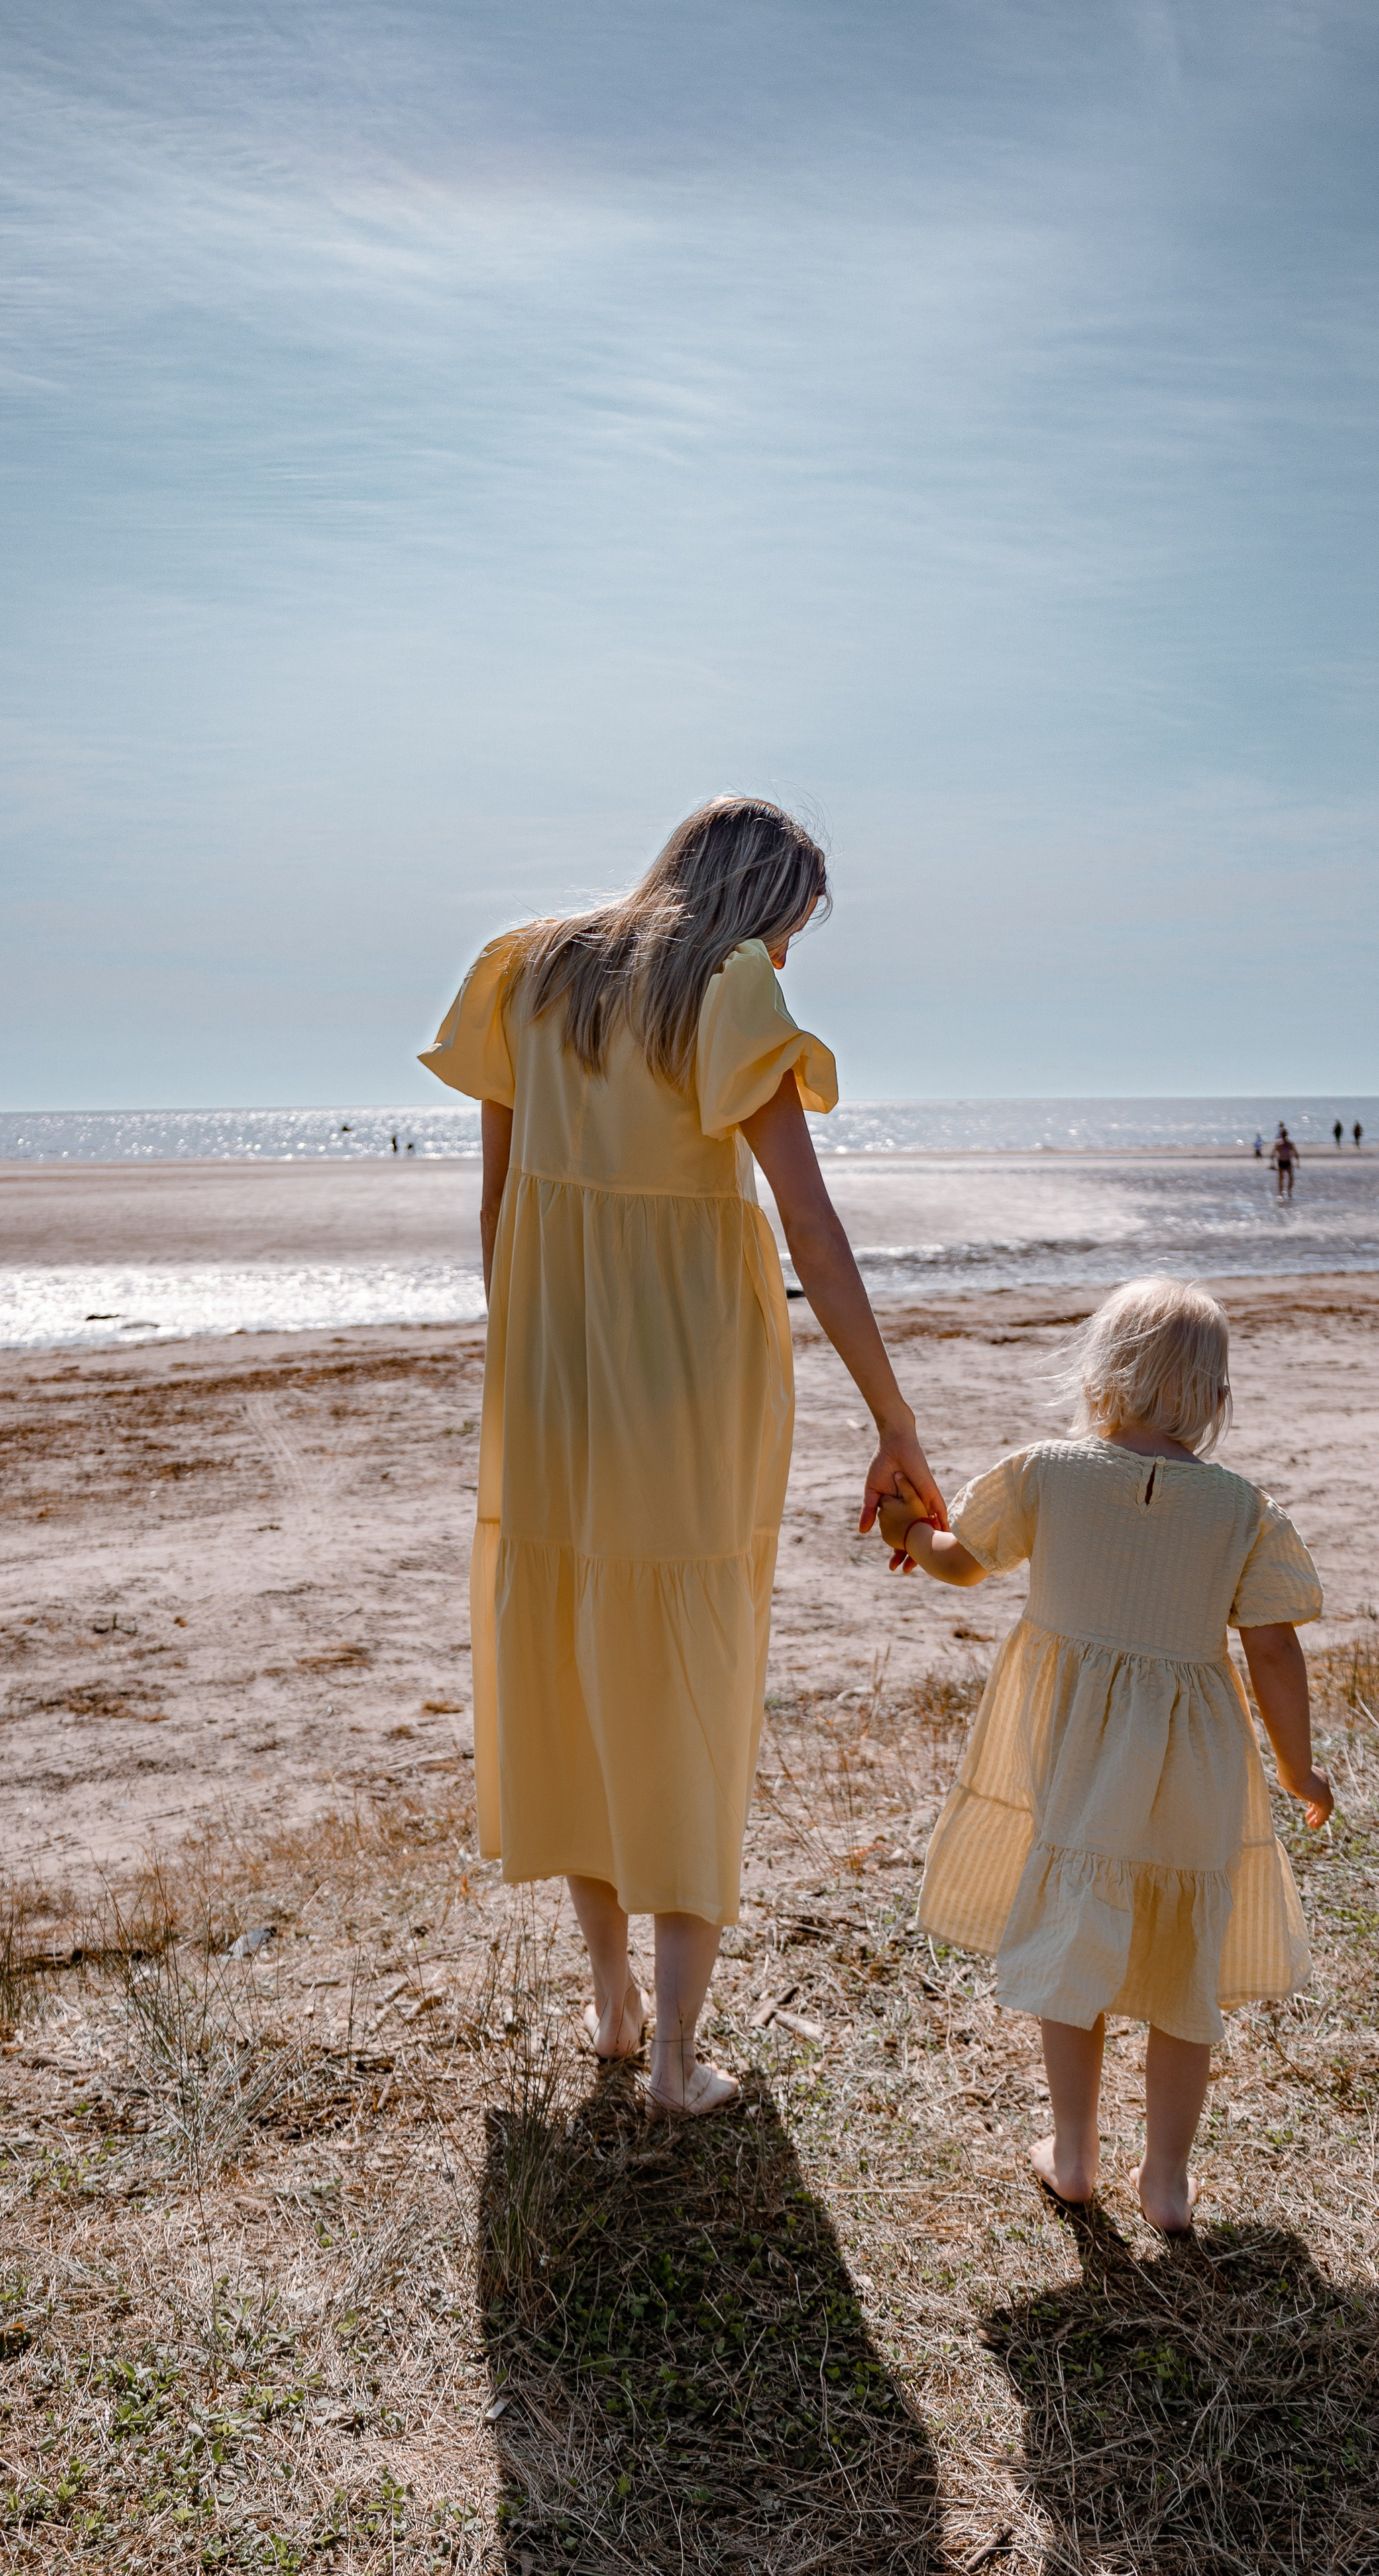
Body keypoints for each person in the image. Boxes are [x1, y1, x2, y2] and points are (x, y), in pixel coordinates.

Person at [421, 796, 946, 2114]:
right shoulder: (725, 989)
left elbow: (495, 1210)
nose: (783, 960)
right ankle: (670, 2062)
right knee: (686, 1691)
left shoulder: (528, 968)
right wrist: (892, 1418)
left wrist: (538, 1356)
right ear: (757, 905)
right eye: (788, 933)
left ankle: (609, 2012)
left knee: (579, 1671)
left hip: (549, 1381)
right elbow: (811, 1233)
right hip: (690, 1390)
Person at [875, 1278, 1331, 2232]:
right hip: (1195, 1762)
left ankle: (1074, 2152)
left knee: (1076, 1932)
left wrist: (908, 1529)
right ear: (1211, 1401)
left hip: (1078, 1755)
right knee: (1182, 1964)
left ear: (1100, 1375)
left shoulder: (1047, 1473)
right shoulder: (1241, 1509)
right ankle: (1165, 2181)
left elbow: (964, 1559)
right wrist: (1296, 1770)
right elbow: (1275, 1649)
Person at [1272, 1122, 1298, 1200]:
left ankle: (1289, 1192)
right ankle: (1280, 1192)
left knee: (1291, 1177)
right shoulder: (1279, 1144)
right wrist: (1272, 1163)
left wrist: (1298, 1161)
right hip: (1281, 1162)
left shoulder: (1289, 1144)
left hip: (1288, 1162)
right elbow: (1273, 1153)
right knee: (1281, 1178)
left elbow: (1295, 1152)